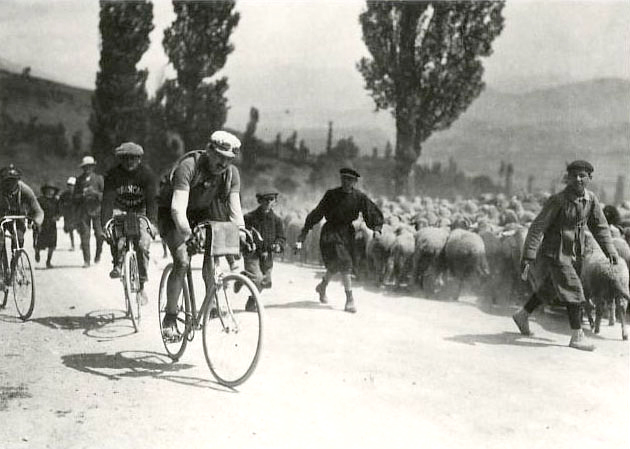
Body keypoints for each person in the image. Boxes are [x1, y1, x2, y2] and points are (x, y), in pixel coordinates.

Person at [512, 160, 619, 351]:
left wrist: (610, 250)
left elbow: (600, 227)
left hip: (575, 253)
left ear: (589, 178)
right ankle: (577, 335)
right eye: (573, 176)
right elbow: (538, 227)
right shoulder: (558, 200)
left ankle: (523, 315)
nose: (577, 179)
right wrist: (528, 254)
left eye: (582, 176)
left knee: (551, 287)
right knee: (574, 288)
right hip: (555, 252)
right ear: (568, 178)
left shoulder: (591, 199)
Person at [157, 130, 246, 339]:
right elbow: (178, 209)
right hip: (172, 213)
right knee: (182, 260)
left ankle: (211, 303)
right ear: (208, 151)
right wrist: (188, 236)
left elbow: (235, 210)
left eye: (228, 159)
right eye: (219, 157)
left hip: (201, 212)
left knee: (214, 254)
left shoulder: (231, 174)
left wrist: (241, 231)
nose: (223, 163)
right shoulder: (189, 167)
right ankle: (170, 318)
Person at [296, 168, 384, 313]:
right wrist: (305, 231)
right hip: (330, 232)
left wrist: (377, 228)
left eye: (350, 180)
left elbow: (371, 211)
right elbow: (318, 212)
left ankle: (322, 286)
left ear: (354, 182)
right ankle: (349, 300)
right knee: (345, 263)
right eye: (344, 179)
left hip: (347, 233)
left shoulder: (359, 197)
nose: (346, 182)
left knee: (336, 265)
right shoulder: (331, 195)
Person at [101, 142, 158, 306]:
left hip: (139, 211)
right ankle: (117, 264)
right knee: (116, 235)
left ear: (139, 159)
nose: (129, 162)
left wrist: (152, 223)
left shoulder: (147, 175)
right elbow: (107, 201)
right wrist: (105, 224)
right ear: (120, 159)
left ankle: (141, 286)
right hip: (120, 209)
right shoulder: (113, 175)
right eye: (125, 158)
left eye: (133, 158)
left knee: (142, 244)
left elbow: (152, 202)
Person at [239, 189, 286, 311]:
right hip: (252, 254)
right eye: (266, 200)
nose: (268, 202)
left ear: (275, 202)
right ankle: (252, 298)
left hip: (267, 255)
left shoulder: (277, 220)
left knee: (265, 282)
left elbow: (281, 238)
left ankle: (245, 280)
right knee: (258, 279)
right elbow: (242, 234)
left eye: (271, 200)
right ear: (260, 201)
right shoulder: (249, 217)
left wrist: (278, 245)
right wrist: (245, 245)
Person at [0, 165, 44, 288]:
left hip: (17, 217)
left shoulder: (25, 190)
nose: (10, 184)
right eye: (7, 181)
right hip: (1, 217)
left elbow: (38, 211)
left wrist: (36, 222)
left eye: (13, 181)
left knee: (19, 240)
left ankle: (13, 269)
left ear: (18, 180)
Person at [74, 156, 105, 268]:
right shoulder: (79, 180)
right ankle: (86, 260)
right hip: (84, 211)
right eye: (85, 167)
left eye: (89, 167)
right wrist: (82, 195)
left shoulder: (99, 179)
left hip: (97, 211)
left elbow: (105, 196)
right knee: (84, 236)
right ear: (83, 168)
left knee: (100, 235)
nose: (87, 169)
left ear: (93, 167)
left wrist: (95, 193)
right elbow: (74, 198)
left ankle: (98, 254)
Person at [35, 183, 60, 268]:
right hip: (42, 223)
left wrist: (57, 217)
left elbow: (59, 211)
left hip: (52, 224)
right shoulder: (39, 200)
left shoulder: (56, 201)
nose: (50, 191)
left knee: (52, 244)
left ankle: (48, 261)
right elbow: (35, 210)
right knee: (39, 243)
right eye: (48, 189)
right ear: (45, 190)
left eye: (52, 190)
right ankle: (37, 252)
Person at [59, 177, 78, 250]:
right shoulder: (64, 195)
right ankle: (73, 244)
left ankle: (82, 244)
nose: (71, 187)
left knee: (80, 230)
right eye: (69, 185)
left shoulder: (78, 194)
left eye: (72, 185)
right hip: (68, 215)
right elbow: (60, 203)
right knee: (69, 230)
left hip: (77, 214)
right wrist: (61, 212)